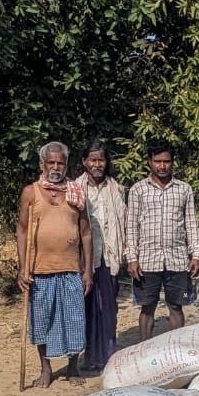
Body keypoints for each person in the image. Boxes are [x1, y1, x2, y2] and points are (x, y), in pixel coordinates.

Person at [17, 141, 92, 387]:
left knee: (73, 320)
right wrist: (22, 268)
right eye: (51, 162)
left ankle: (72, 367)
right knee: (42, 321)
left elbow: (85, 233)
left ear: (66, 164)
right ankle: (46, 369)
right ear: (42, 164)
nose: (56, 167)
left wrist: (87, 269)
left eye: (60, 162)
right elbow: (23, 230)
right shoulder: (31, 192)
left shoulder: (75, 193)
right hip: (40, 270)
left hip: (71, 268)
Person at [124, 137, 199, 342]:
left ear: (172, 161)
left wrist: (196, 255)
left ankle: (175, 350)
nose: (162, 166)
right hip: (147, 260)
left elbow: (191, 224)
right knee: (147, 307)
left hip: (176, 259)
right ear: (150, 161)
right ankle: (144, 351)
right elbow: (131, 226)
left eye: (166, 161)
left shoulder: (184, 189)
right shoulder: (138, 190)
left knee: (176, 306)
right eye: (157, 161)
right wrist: (132, 257)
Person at [74, 139, 126, 372]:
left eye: (101, 160)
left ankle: (108, 356)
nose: (97, 164)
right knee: (87, 307)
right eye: (93, 159)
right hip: (84, 258)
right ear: (84, 162)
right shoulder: (74, 188)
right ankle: (90, 356)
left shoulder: (116, 188)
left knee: (109, 309)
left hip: (110, 256)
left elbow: (123, 222)